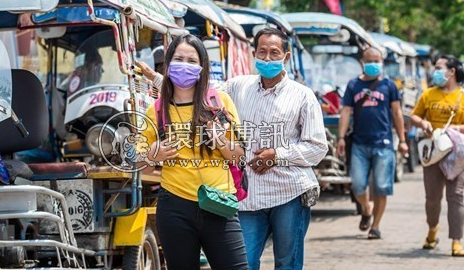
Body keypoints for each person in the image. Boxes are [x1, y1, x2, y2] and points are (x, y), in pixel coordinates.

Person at [139, 28, 328, 270]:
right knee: (245, 263)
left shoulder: (303, 96)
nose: (267, 58)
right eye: (262, 52)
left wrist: (277, 156)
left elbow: (317, 147)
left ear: (286, 57)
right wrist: (159, 78)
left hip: (288, 192)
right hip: (247, 198)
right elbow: (195, 89)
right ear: (254, 54)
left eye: (274, 53)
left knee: (287, 263)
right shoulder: (238, 87)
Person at [139, 34, 248, 270]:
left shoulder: (220, 103)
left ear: (202, 67)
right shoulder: (156, 111)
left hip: (219, 205)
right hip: (174, 207)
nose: (184, 66)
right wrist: (152, 156)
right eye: (178, 59)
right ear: (167, 66)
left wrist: (219, 139)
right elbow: (141, 167)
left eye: (192, 60)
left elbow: (240, 156)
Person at [411, 55, 464, 257]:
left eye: (439, 67)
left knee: (456, 196)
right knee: (432, 198)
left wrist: (457, 128)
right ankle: (432, 229)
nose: (435, 71)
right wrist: (423, 124)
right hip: (433, 152)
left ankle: (456, 241)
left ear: (452, 71)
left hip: (457, 154)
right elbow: (415, 115)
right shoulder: (428, 95)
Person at [337, 47, 407, 240]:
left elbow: (397, 113)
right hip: (359, 143)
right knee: (358, 185)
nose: (374, 64)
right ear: (362, 62)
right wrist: (341, 137)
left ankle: (375, 226)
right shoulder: (353, 85)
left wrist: (402, 140)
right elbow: (345, 111)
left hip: (383, 144)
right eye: (370, 60)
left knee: (382, 187)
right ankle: (367, 208)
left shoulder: (389, 85)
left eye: (377, 60)